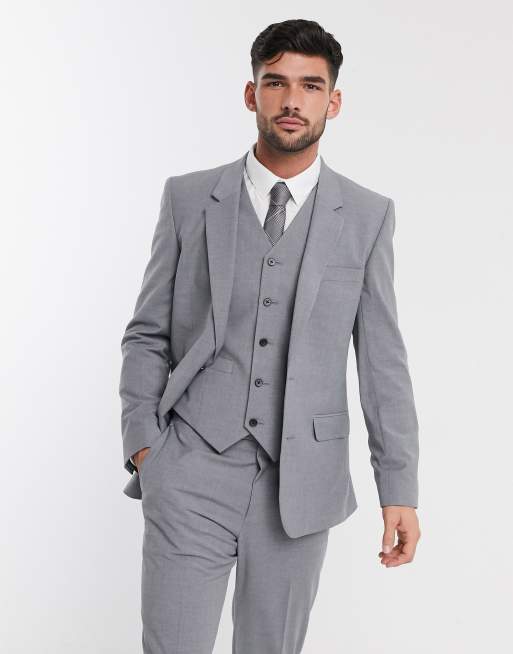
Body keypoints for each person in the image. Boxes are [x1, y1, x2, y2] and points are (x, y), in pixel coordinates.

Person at [119, 18, 421, 654]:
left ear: (333, 102)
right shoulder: (188, 199)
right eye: (276, 82)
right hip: (190, 467)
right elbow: (147, 333)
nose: (292, 100)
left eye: (311, 86)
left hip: (302, 482)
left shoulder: (367, 216)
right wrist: (147, 448)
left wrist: (399, 489)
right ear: (251, 93)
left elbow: (382, 362)